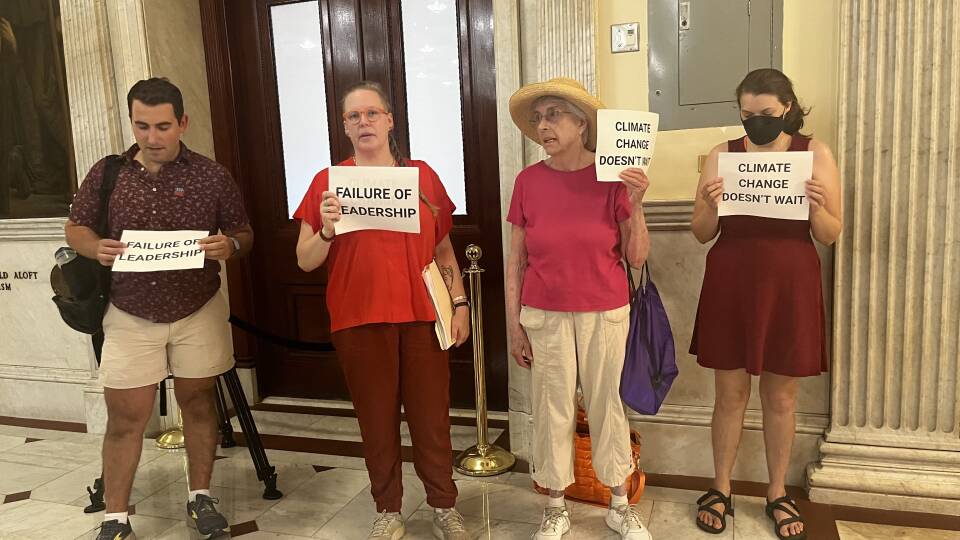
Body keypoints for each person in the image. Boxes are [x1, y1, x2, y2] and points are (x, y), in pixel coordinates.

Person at [65, 78, 253, 540]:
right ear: (132, 122)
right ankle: (115, 518)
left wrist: (228, 245)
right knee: (126, 416)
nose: (152, 137)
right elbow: (76, 227)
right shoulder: (108, 173)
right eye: (142, 125)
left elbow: (244, 234)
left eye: (163, 126)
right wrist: (95, 249)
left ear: (182, 123)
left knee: (199, 404)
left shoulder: (212, 175)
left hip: (198, 307)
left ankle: (200, 496)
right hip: (130, 311)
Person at [294, 80, 471, 540]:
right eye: (354, 116)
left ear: (390, 120)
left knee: (432, 420)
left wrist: (459, 303)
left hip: (423, 316)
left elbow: (445, 251)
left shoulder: (423, 176)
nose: (364, 122)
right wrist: (328, 230)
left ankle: (444, 506)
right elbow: (306, 259)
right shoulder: (327, 182)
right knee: (376, 421)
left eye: (372, 113)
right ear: (345, 127)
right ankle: (387, 509)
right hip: (358, 318)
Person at [690, 68, 841, 540]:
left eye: (767, 114)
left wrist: (818, 206)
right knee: (729, 395)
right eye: (747, 115)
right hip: (732, 281)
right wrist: (711, 204)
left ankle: (777, 491)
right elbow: (700, 232)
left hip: (790, 282)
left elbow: (831, 234)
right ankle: (720, 487)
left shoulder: (813, 152)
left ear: (788, 108)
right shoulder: (723, 155)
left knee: (781, 396)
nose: (756, 122)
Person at [505, 77, 653, 540]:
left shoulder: (613, 178)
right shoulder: (528, 181)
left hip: (605, 310)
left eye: (553, 114)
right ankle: (554, 504)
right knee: (551, 408)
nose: (542, 125)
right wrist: (513, 326)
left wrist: (637, 203)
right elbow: (516, 261)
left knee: (608, 404)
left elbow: (637, 257)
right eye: (538, 117)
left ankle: (619, 502)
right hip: (544, 312)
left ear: (581, 123)